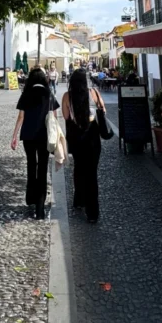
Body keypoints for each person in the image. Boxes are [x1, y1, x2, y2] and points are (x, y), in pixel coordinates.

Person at [11, 66, 59, 219]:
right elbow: (54, 118)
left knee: (31, 165)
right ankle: (40, 207)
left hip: (28, 136)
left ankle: (30, 198)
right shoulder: (49, 93)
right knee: (43, 168)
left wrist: (14, 135)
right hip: (44, 136)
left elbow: (21, 117)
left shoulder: (26, 94)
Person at [62, 67, 105, 222]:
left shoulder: (67, 96)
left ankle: (79, 199)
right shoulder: (93, 92)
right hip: (93, 135)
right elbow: (103, 109)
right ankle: (93, 212)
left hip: (77, 135)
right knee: (91, 173)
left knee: (79, 169)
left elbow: (66, 117)